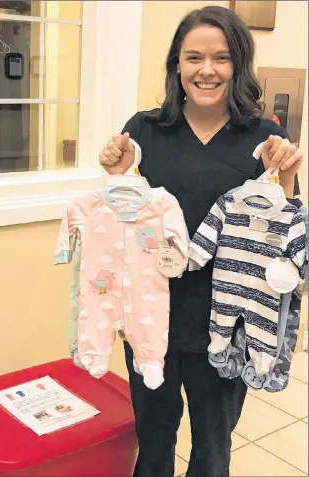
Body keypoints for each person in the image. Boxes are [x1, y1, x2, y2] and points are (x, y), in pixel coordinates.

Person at [99, 6, 304, 477]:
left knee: (213, 447)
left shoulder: (264, 137)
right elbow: (123, 225)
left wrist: (288, 180)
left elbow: (281, 236)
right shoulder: (146, 130)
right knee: (153, 438)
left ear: (239, 65)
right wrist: (116, 178)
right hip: (153, 317)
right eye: (193, 57)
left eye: (221, 58)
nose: (206, 70)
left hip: (229, 321)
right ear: (176, 64)